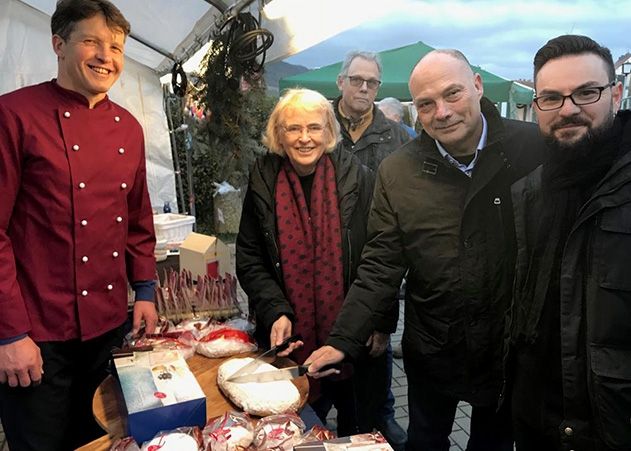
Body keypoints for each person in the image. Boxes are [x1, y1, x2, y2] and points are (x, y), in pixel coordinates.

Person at [305, 49, 545, 451]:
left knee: (493, 444)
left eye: (452, 94)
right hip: (434, 346)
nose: (443, 112)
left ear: (477, 86)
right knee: (425, 441)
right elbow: (380, 264)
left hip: (507, 350)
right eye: (426, 104)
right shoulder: (399, 171)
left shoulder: (531, 149)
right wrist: (343, 338)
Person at [0, 1, 158, 449]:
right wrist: (8, 333)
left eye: (116, 47)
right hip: (36, 336)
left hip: (107, 330)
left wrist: (144, 290)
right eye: (91, 41)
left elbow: (138, 220)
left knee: (103, 441)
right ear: (58, 44)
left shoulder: (128, 128)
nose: (106, 56)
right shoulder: (13, 115)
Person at [510, 34, 630, 451]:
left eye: (586, 92)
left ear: (615, 93)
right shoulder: (530, 189)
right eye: (552, 98)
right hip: (535, 419)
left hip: (609, 426)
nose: (568, 110)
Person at [236, 88, 376, 437]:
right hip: (289, 338)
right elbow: (250, 257)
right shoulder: (263, 179)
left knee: (357, 425)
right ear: (277, 133)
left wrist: (379, 323)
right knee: (291, 430)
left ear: (329, 131)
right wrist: (274, 309)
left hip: (350, 332)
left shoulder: (358, 177)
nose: (304, 138)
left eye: (314, 127)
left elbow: (377, 256)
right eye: (293, 128)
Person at [335, 50, 408, 448]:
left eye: (372, 82)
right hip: (321, 280)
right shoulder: (317, 126)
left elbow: (398, 238)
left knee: (373, 394)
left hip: (372, 276)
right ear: (341, 82)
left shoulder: (396, 138)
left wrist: (385, 321)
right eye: (357, 79)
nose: (364, 88)